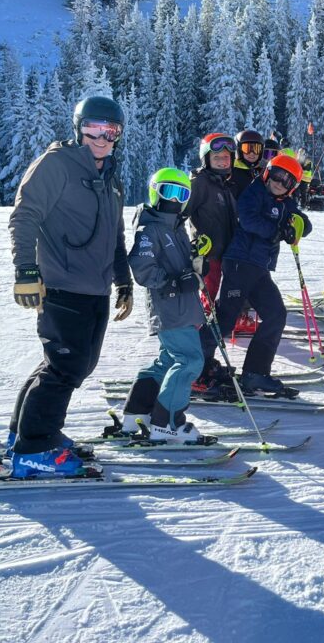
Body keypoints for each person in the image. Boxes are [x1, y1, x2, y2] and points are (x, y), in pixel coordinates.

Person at [4, 95, 132, 478]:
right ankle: (33, 450)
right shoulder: (56, 164)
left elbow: (115, 236)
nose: (102, 138)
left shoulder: (111, 178)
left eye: (110, 131)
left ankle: (23, 434)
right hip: (61, 285)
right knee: (64, 366)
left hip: (96, 289)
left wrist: (124, 281)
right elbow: (24, 216)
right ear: (79, 129)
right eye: (94, 128)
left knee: (70, 365)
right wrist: (26, 271)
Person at [201, 154, 313, 397]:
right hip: (240, 263)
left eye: (286, 181)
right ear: (267, 174)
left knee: (276, 315)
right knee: (226, 318)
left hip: (259, 268)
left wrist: (299, 224)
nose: (279, 183)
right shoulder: (255, 192)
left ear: (292, 187)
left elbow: (303, 221)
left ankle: (255, 373)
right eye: (276, 176)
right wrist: (277, 231)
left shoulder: (285, 202)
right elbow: (248, 219)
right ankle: (196, 365)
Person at [119, 168, 207, 444]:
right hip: (170, 307)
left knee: (167, 360)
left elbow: (178, 264)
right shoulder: (151, 228)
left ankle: (137, 413)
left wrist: (195, 259)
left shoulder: (175, 227)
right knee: (189, 360)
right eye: (169, 191)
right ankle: (167, 423)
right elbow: (142, 268)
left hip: (182, 306)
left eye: (182, 193)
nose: (175, 199)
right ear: (155, 192)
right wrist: (174, 283)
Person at [187, 133, 238, 305]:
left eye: (226, 157)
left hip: (228, 251)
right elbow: (182, 212)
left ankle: (227, 316)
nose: (222, 161)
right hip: (209, 253)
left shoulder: (225, 184)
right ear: (206, 159)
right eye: (216, 157)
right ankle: (204, 320)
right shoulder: (200, 182)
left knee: (230, 290)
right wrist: (193, 244)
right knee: (209, 290)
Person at [232, 129, 264, 198]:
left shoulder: (261, 171)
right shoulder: (231, 172)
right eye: (247, 149)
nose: (252, 153)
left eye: (256, 149)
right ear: (239, 150)